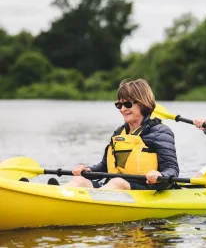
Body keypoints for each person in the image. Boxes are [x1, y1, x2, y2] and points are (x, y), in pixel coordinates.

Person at [49, 78, 179, 190]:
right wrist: (88, 171)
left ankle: (88, 202)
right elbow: (105, 167)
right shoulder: (119, 132)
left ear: (143, 104)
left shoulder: (160, 132)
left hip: (146, 189)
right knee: (79, 181)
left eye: (127, 104)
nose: (122, 109)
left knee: (118, 182)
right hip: (113, 187)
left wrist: (158, 175)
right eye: (119, 105)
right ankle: (56, 194)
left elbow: (172, 169)